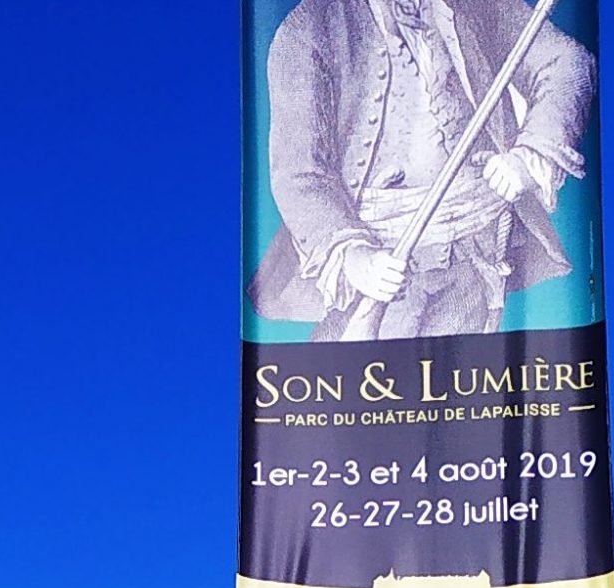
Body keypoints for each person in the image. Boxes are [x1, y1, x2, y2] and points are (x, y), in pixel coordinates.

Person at [248, 0, 596, 342]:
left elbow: (567, 62)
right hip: (376, 264)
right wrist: (355, 258)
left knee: (463, 386)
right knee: (347, 387)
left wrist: (529, 154)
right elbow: (300, 174)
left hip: (473, 253)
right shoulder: (308, 27)